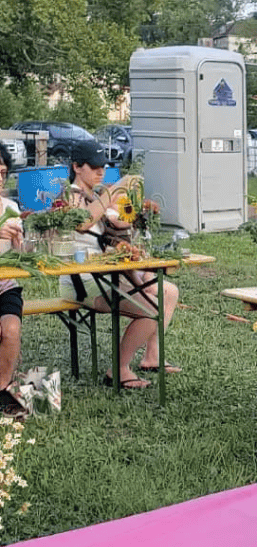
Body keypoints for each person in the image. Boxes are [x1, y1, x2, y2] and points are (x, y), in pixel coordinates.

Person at [60, 140, 180, 390]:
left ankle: (152, 356)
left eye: (103, 167)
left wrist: (138, 212)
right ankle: (118, 368)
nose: (100, 172)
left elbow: (119, 221)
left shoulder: (95, 195)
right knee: (150, 310)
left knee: (168, 291)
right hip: (80, 280)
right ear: (76, 167)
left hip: (105, 273)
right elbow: (81, 221)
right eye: (94, 167)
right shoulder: (69, 196)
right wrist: (112, 193)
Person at [0, 144, 25, 414]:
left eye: (3, 172)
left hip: (6, 285)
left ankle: (3, 388)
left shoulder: (10, 206)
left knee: (10, 330)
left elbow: (21, 255)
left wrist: (20, 243)